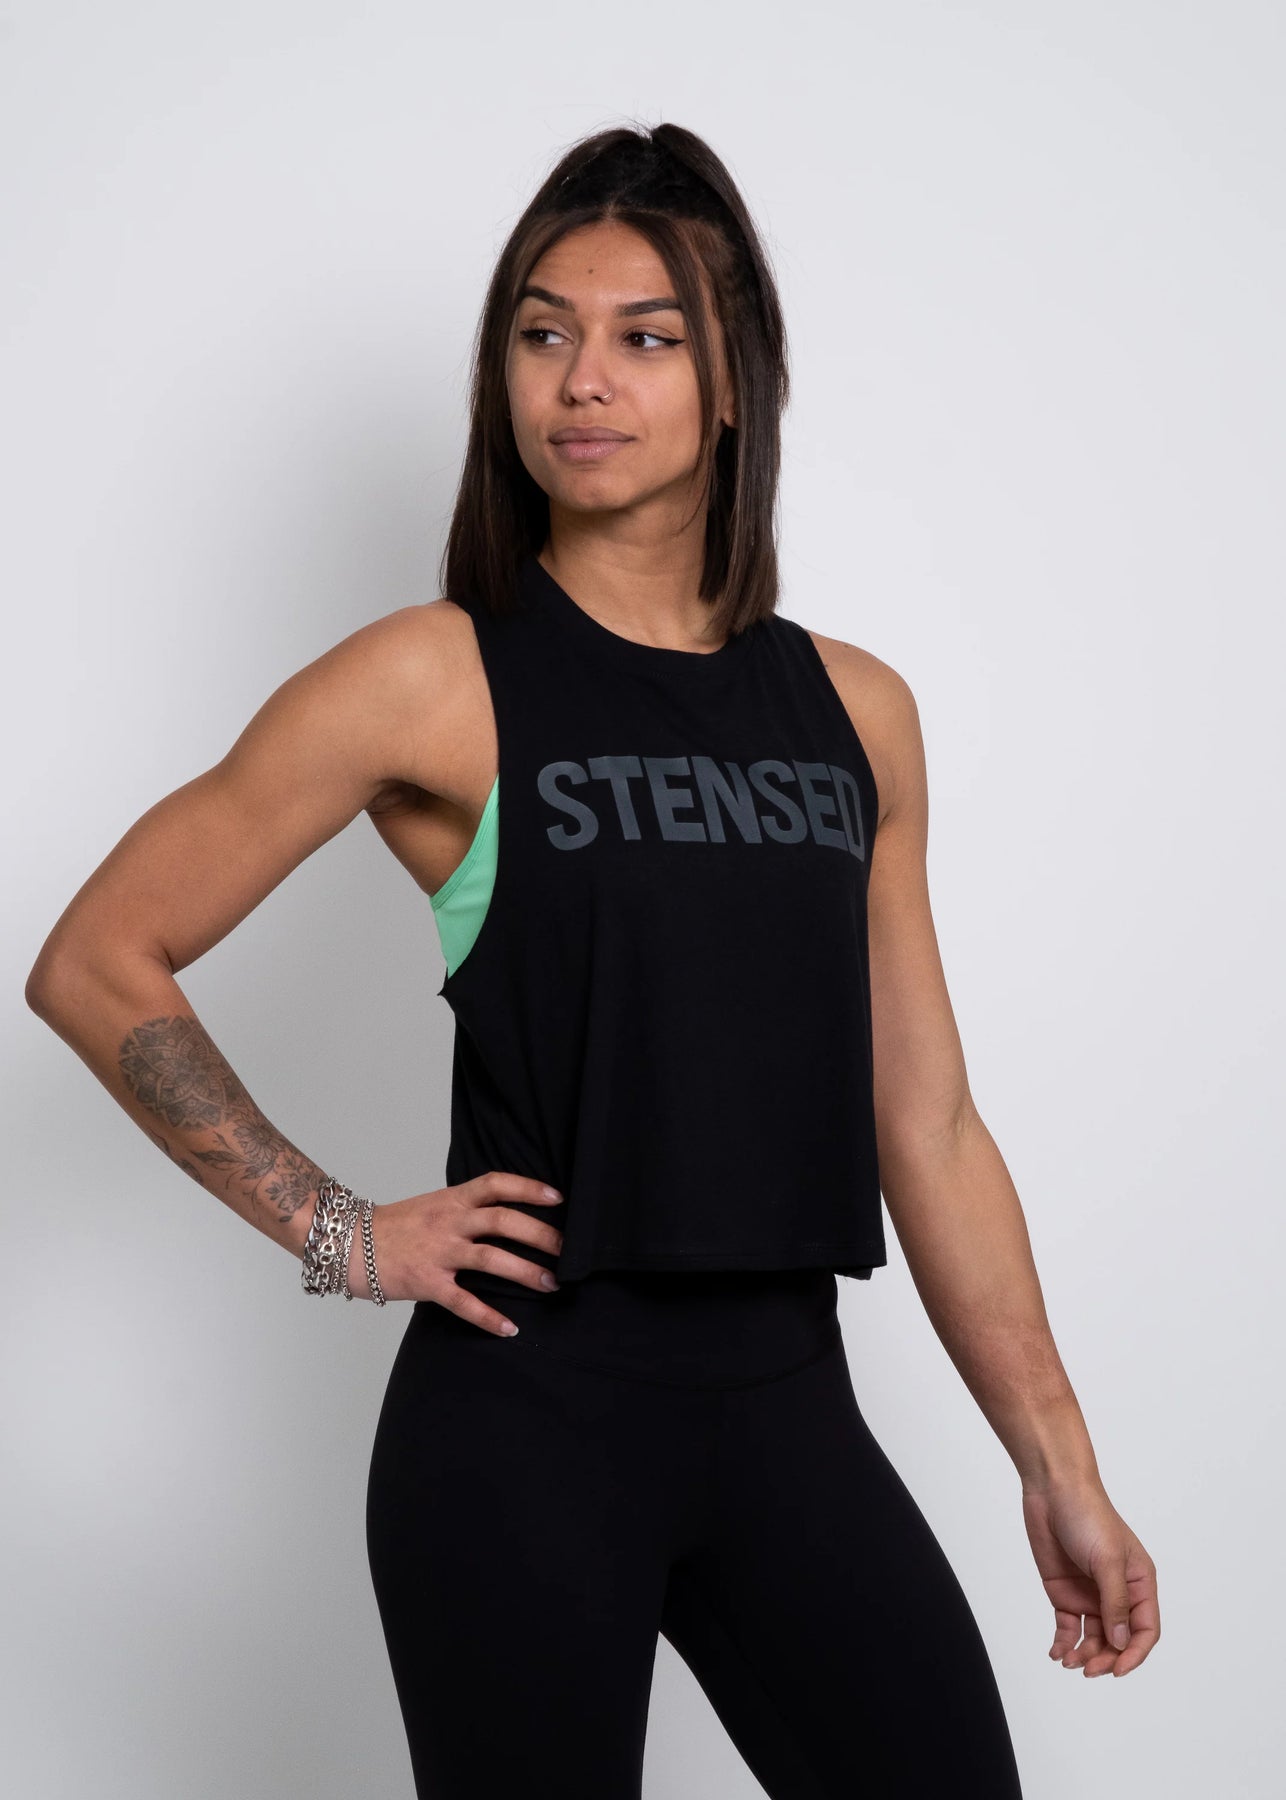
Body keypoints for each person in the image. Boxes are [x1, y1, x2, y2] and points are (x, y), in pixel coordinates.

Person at [25, 121, 1159, 1798]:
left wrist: (1054, 1458)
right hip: (522, 1430)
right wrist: (340, 1232)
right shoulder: (436, 679)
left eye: (646, 336)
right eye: (542, 331)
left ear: (735, 378)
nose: (582, 379)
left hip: (789, 1410)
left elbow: (924, 1125)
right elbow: (97, 959)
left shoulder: (853, 713)